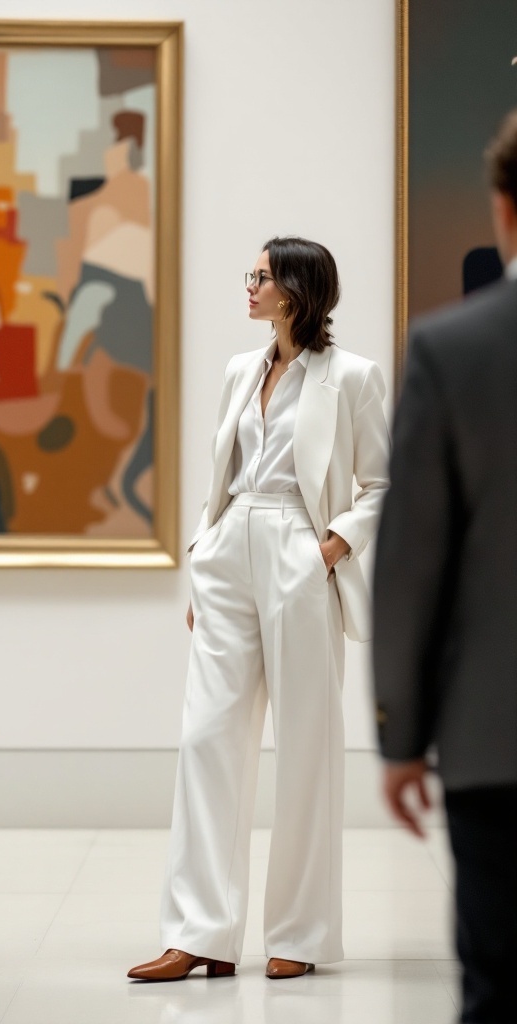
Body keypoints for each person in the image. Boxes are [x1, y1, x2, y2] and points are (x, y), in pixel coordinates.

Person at [128, 235, 389, 982]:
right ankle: (200, 932)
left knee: (306, 744)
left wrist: (329, 549)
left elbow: (380, 483)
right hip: (231, 550)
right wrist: (205, 559)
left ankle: (299, 933)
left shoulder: (353, 377)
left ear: (297, 291)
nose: (250, 287)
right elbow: (225, 473)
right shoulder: (242, 370)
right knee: (208, 738)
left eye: (263, 277)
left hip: (298, 553)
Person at [372, 111, 517, 1024]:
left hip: (498, 741)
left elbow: (412, 564)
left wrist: (400, 735)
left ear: (504, 210)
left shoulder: (454, 351)